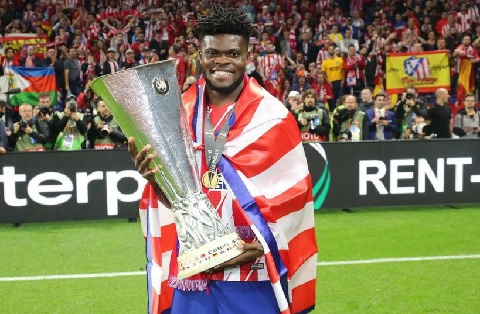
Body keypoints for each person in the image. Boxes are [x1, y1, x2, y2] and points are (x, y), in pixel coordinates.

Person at [128, 6, 316, 314]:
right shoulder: (176, 114)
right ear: (199, 54)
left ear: (246, 55)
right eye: (213, 53)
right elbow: (175, 198)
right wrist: (153, 179)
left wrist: (265, 242)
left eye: (233, 53)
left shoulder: (273, 117)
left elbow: (295, 194)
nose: (223, 62)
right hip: (193, 272)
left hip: (251, 272)